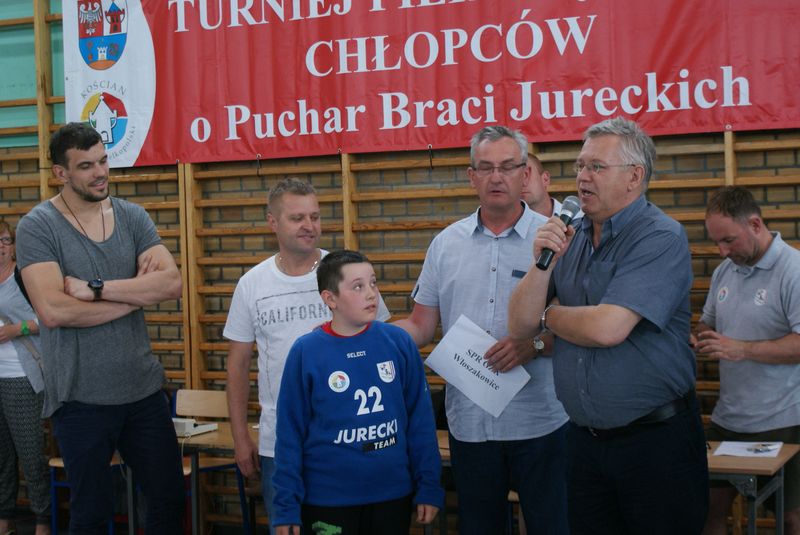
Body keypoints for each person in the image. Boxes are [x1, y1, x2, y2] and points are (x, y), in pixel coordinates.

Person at [508, 116, 708, 534]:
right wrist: (542, 263)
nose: (582, 177)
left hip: (655, 443)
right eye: (580, 166)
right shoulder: (570, 234)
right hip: (584, 442)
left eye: (597, 166)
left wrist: (549, 316)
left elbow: (607, 328)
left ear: (634, 176)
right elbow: (520, 325)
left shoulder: (659, 237)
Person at [396, 125, 570, 535]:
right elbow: (421, 324)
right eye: (486, 167)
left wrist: (534, 344)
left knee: (553, 527)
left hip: (542, 421)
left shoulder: (556, 239)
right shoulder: (445, 244)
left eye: (507, 167)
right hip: (470, 423)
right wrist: (370, 338)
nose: (496, 177)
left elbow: (579, 322)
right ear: (471, 175)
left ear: (525, 174)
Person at [15, 122, 185, 534]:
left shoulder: (132, 217)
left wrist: (96, 290)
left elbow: (171, 284)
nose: (100, 173)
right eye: (86, 166)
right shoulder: (38, 227)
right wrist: (134, 296)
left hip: (143, 392)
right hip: (79, 398)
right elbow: (53, 311)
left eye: (103, 161)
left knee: (168, 500)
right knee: (92, 513)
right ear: (61, 173)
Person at [224, 177, 390, 532]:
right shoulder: (252, 284)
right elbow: (237, 366)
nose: (309, 226)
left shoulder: (347, 272)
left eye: (314, 217)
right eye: (297, 218)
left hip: (349, 440)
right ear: (272, 222)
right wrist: (240, 436)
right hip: (281, 444)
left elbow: (383, 343)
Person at [272, 250, 443, 535]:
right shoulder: (306, 352)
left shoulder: (398, 343)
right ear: (330, 299)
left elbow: (421, 422)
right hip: (328, 499)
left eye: (373, 283)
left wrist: (429, 485)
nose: (371, 293)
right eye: (358, 287)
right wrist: (286, 506)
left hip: (392, 495)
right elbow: (289, 434)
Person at [696, 186, 800, 535]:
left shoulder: (794, 269)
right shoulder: (724, 271)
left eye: (729, 240)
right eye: (717, 242)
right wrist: (701, 338)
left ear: (755, 224)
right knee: (708, 510)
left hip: (784, 419)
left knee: (791, 518)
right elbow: (707, 323)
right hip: (729, 419)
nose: (723, 251)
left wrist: (742, 349)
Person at [0, 221, 50, 535]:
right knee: (2, 456)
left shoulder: (24, 277)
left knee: (30, 455)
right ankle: (4, 518)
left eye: (4, 240)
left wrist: (16, 329)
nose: (0, 246)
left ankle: (43, 520)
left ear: (14, 245)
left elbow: (51, 317)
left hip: (21, 375)